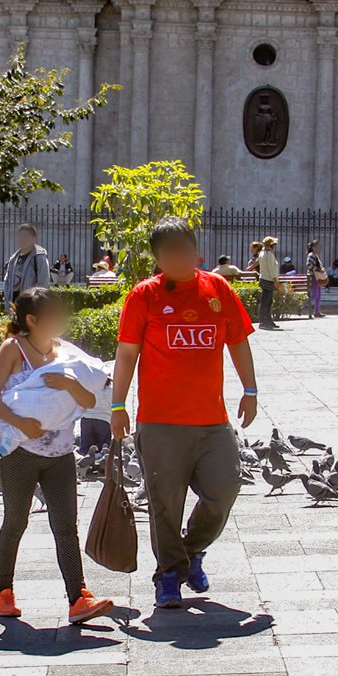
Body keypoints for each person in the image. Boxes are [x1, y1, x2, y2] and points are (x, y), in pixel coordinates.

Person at [112, 215, 257, 608]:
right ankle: (170, 576)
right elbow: (127, 354)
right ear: (157, 258)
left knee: (224, 488)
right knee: (165, 504)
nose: (178, 258)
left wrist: (251, 389)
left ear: (196, 250)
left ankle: (191, 551)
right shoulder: (144, 296)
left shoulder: (218, 289)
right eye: (169, 253)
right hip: (159, 423)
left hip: (212, 421)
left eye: (185, 250)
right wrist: (117, 404)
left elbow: (239, 341)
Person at [0, 287, 114, 624]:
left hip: (61, 453)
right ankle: (3, 593)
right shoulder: (14, 350)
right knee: (16, 521)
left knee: (66, 525)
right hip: (20, 452)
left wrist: (69, 384)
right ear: (32, 320)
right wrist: (21, 422)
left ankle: (78, 598)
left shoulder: (65, 353)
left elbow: (87, 401)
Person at [3, 223, 50, 308]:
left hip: (31, 305)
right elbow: (7, 282)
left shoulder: (39, 257)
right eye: (20, 236)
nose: (22, 239)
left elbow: (43, 284)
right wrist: (8, 303)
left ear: (33, 238)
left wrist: (36, 304)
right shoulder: (13, 259)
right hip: (14, 304)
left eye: (26, 236)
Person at [256, 235, 280, 331]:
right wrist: (275, 281)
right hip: (269, 279)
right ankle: (263, 321)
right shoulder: (269, 254)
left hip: (263, 279)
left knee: (267, 301)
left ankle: (268, 320)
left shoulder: (261, 253)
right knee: (266, 301)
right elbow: (271, 269)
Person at [305, 241, 326, 318]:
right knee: (314, 295)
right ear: (313, 247)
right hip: (313, 277)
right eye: (317, 247)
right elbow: (309, 265)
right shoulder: (311, 255)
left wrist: (321, 269)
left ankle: (317, 311)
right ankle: (301, 306)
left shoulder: (316, 255)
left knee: (318, 295)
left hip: (317, 277)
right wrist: (318, 269)